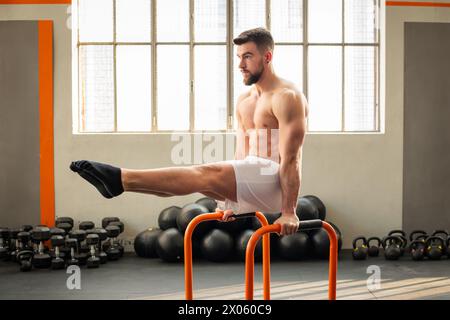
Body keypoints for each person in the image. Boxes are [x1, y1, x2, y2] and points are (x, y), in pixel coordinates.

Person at [70, 27, 308, 236]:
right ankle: (124, 185)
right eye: (238, 57)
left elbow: (291, 159)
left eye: (248, 56)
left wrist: (289, 212)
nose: (240, 65)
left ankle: (121, 177)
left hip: (275, 180)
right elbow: (242, 156)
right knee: (197, 181)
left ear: (267, 57)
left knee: (203, 172)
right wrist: (228, 202)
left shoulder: (287, 97)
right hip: (252, 176)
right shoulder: (245, 101)